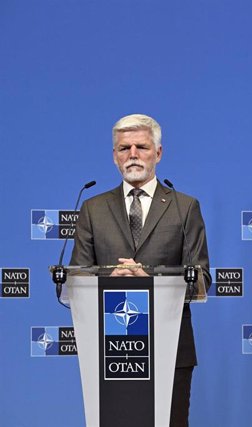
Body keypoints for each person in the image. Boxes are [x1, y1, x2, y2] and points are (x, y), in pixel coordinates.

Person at [70, 114, 211, 427]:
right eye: (124, 148)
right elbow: (77, 276)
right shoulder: (92, 208)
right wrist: (108, 281)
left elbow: (201, 280)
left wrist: (153, 283)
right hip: (111, 350)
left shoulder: (184, 207)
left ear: (158, 153)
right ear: (114, 156)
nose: (132, 154)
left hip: (170, 348)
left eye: (141, 147)